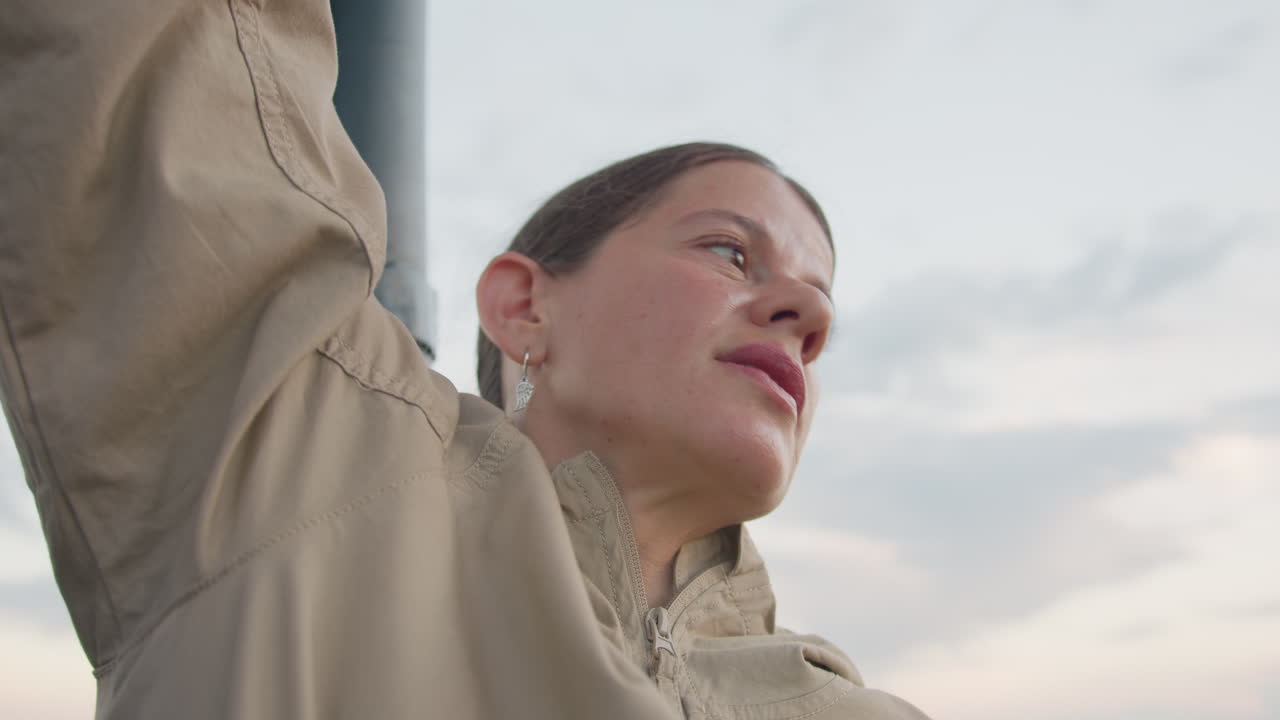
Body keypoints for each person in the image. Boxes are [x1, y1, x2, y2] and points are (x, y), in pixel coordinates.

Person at [0, 1, 931, 718]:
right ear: (524, 306)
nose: (805, 314)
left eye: (821, 305)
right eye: (729, 251)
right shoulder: (297, 457)